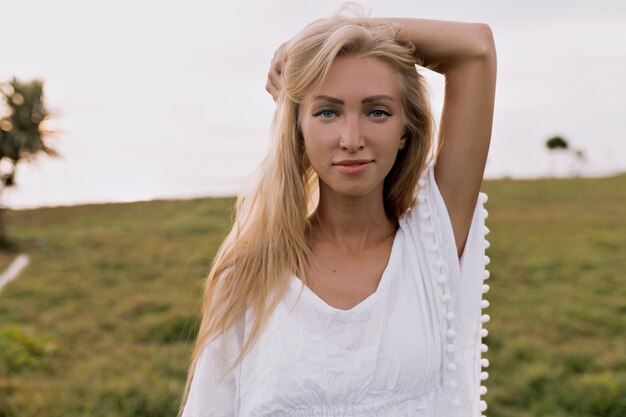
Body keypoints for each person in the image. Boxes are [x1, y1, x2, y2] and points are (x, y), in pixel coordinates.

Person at [181, 7, 496, 417]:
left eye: (377, 112)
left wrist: (333, 32)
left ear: (405, 130)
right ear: (299, 128)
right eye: (327, 112)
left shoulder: (432, 245)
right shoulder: (249, 272)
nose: (351, 139)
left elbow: (476, 50)